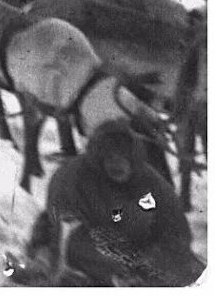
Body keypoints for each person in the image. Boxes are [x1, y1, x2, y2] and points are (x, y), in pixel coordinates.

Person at [27, 120, 200, 286]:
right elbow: (65, 235)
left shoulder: (151, 182)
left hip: (140, 252)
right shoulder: (73, 177)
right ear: (98, 159)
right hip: (89, 250)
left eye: (122, 156)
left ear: (133, 159)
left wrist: (156, 259)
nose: (116, 163)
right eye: (109, 157)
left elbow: (178, 233)